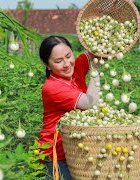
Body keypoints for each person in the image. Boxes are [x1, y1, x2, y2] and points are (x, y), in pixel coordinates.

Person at [38, 35, 100, 180]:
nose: (67, 64)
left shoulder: (75, 68)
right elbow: (89, 103)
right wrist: (96, 68)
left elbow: (93, 52)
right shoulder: (52, 87)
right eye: (59, 61)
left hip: (75, 151)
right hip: (55, 155)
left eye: (68, 56)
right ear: (47, 65)